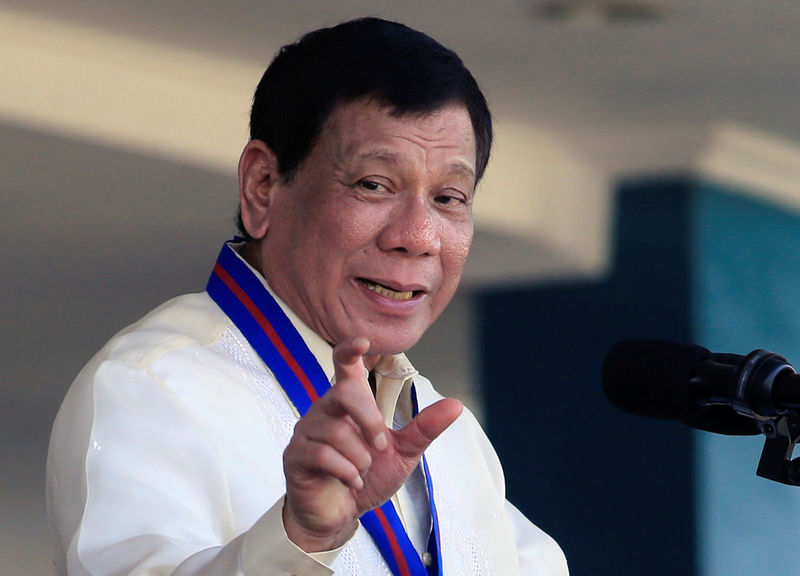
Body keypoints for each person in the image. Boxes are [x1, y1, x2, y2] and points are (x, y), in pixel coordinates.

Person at [46, 17, 569, 576]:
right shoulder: (153, 385)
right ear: (263, 187)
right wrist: (301, 537)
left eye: (449, 197)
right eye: (374, 184)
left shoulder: (453, 439)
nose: (417, 237)